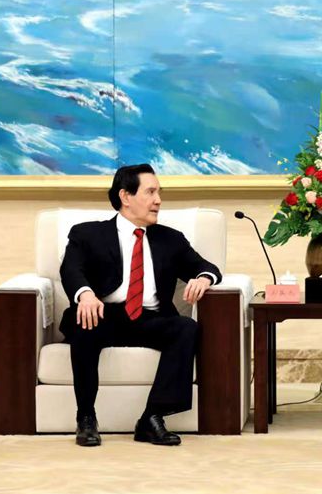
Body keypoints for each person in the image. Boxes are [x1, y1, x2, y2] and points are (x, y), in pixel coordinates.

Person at [59, 164, 222, 447]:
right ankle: (86, 417)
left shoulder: (170, 239)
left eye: (159, 193)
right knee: (84, 321)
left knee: (186, 328)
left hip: (149, 319)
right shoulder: (88, 234)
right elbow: (71, 269)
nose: (158, 200)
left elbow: (206, 267)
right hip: (103, 315)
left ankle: (152, 417)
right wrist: (85, 294)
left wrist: (204, 278)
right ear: (125, 196)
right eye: (150, 192)